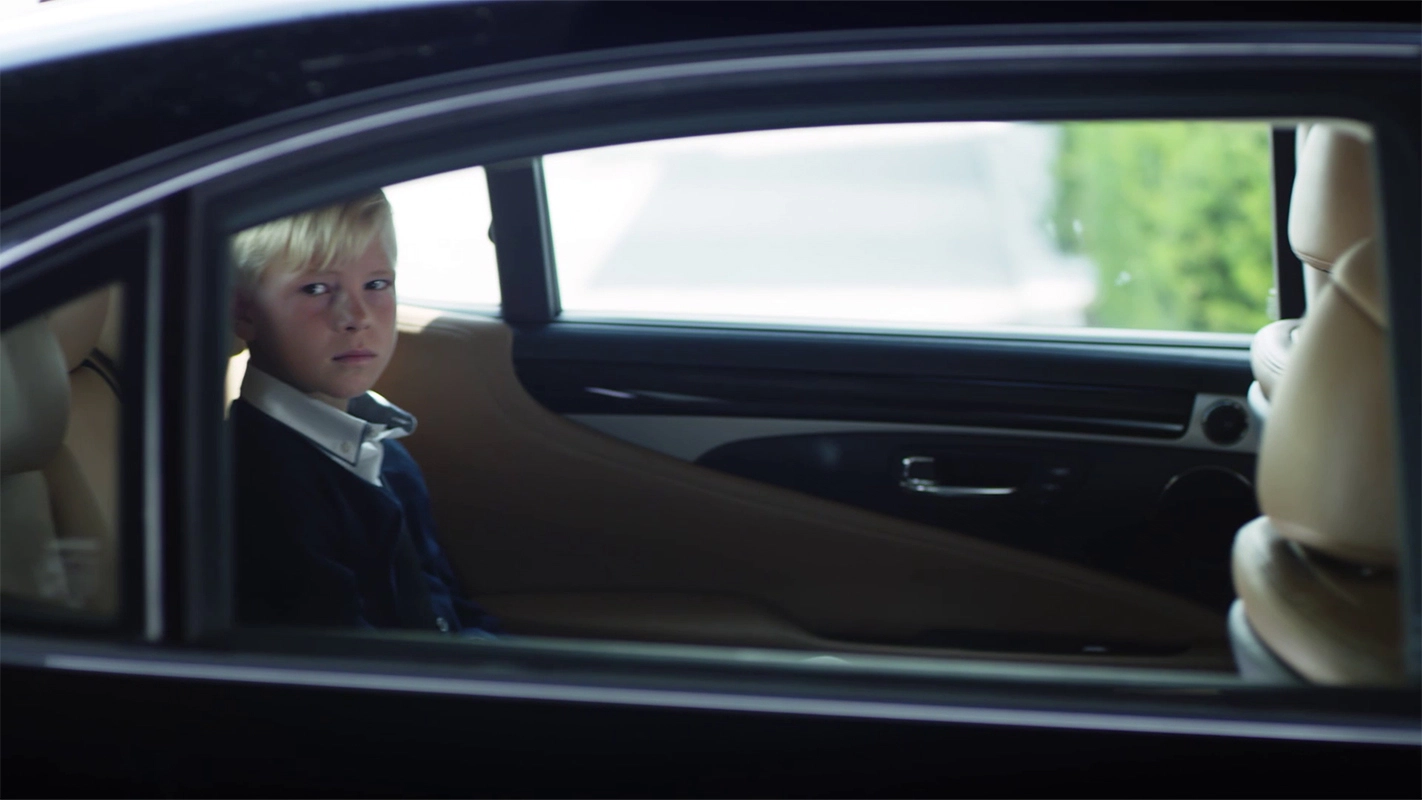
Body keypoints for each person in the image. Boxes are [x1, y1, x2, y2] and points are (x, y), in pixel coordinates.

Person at [228, 191, 496, 635]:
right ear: (244, 312)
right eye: (316, 289)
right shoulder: (260, 481)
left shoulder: (382, 449)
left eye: (376, 285)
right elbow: (340, 655)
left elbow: (446, 604)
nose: (357, 316)